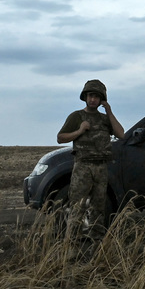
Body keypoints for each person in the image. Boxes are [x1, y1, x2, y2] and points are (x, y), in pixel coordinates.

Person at [57, 79, 124, 245]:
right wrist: (80, 130)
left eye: (97, 96)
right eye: (90, 95)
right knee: (77, 207)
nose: (93, 99)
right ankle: (71, 246)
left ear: (102, 99)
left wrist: (109, 111)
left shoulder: (104, 118)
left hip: (101, 166)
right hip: (83, 166)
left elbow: (121, 133)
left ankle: (97, 245)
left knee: (98, 208)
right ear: (85, 97)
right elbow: (60, 138)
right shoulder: (77, 116)